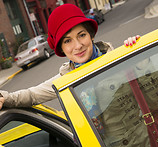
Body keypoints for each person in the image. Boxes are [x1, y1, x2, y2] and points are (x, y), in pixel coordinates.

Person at [0, 4, 139, 110]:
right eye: (67, 41)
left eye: (82, 35)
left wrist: (136, 49)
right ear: (61, 48)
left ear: (91, 35)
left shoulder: (119, 59)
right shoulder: (67, 78)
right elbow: (32, 95)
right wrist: (3, 98)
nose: (78, 46)